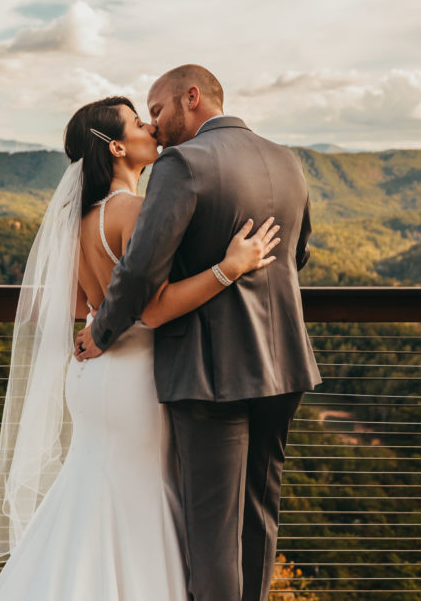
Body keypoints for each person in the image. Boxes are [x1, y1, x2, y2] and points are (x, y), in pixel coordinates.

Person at [0, 95, 281, 601]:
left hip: (92, 375)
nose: (152, 127)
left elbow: (81, 303)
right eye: (138, 121)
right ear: (118, 147)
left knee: (90, 492)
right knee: (136, 496)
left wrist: (102, 324)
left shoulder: (79, 220)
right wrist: (230, 267)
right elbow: (155, 307)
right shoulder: (136, 211)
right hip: (134, 376)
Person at [74, 65, 321, 601]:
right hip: (284, 365)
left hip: (211, 373)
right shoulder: (288, 160)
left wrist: (105, 330)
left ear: (192, 98)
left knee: (212, 534)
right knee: (259, 517)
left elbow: (141, 272)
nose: (155, 126)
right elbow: (296, 256)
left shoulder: (182, 164)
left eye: (158, 111)